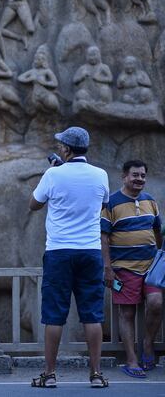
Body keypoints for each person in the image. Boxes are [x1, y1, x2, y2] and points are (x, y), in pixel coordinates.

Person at [29, 127, 110, 389]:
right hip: (90, 250)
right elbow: (101, 204)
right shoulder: (101, 175)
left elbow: (34, 204)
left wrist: (54, 172)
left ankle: (49, 374)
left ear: (65, 149)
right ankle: (96, 374)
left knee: (54, 315)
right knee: (92, 314)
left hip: (59, 251)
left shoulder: (53, 173)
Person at [101, 160, 162, 378]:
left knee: (156, 303)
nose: (139, 179)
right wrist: (107, 268)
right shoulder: (111, 203)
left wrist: (160, 256)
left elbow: (157, 230)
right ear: (124, 177)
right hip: (124, 269)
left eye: (143, 176)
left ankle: (147, 344)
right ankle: (131, 359)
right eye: (135, 175)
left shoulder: (150, 201)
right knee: (126, 313)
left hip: (151, 268)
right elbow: (104, 238)